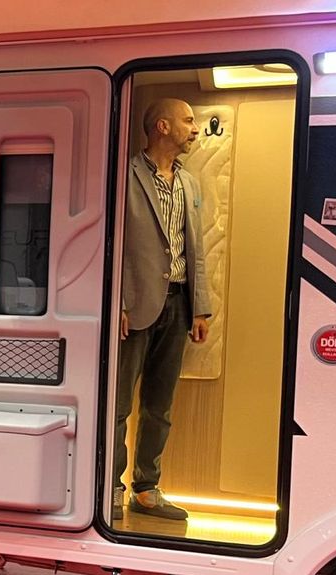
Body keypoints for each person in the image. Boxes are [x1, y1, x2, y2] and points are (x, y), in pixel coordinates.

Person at [113, 97, 212, 522]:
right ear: (163, 126)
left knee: (160, 406)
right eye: (188, 120)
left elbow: (196, 250)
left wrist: (200, 308)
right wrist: (117, 302)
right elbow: (113, 244)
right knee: (118, 404)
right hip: (134, 306)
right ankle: (110, 488)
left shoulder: (189, 182)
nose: (195, 128)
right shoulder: (124, 175)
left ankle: (146, 490)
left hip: (178, 304)